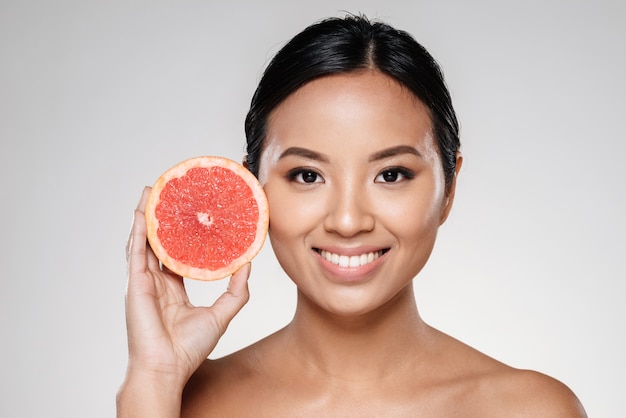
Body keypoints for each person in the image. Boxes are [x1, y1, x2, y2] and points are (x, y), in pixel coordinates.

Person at [118, 15, 587, 417]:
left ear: (450, 188)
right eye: (306, 175)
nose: (347, 220)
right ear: (252, 193)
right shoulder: (180, 402)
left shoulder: (528, 409)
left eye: (391, 174)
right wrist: (153, 379)